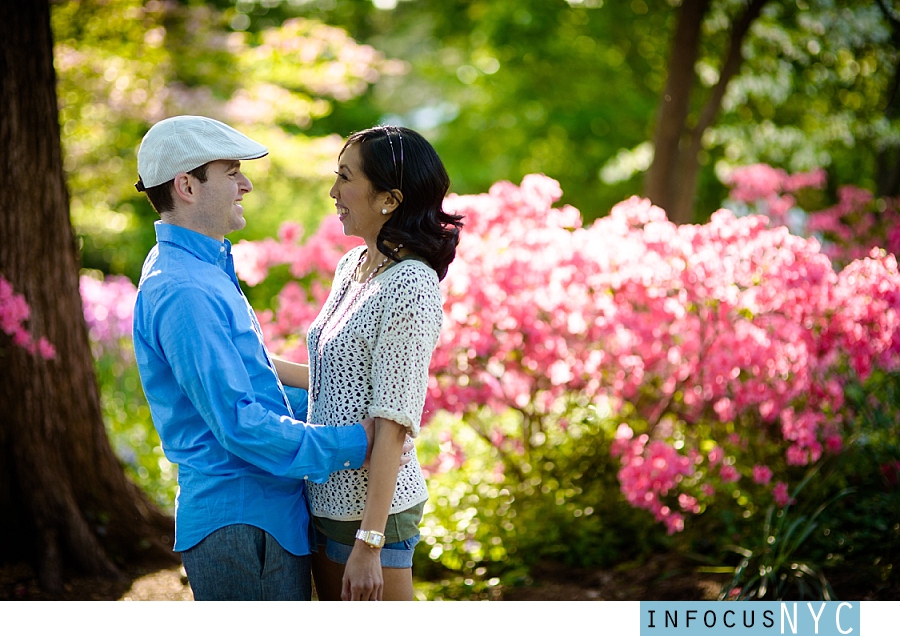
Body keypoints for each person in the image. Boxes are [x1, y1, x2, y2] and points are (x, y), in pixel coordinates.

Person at [131, 115, 404, 601]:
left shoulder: (202, 266)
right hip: (243, 522)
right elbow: (239, 424)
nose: (246, 184)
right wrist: (355, 442)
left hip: (264, 516)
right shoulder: (183, 289)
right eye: (231, 172)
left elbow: (258, 386)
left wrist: (356, 409)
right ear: (186, 186)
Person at [282, 125, 462, 601]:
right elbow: (334, 381)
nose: (333, 192)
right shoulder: (353, 267)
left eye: (345, 178)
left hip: (371, 516)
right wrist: (251, 362)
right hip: (324, 499)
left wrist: (369, 541)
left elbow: (393, 420)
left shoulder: (411, 286)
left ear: (388, 198)